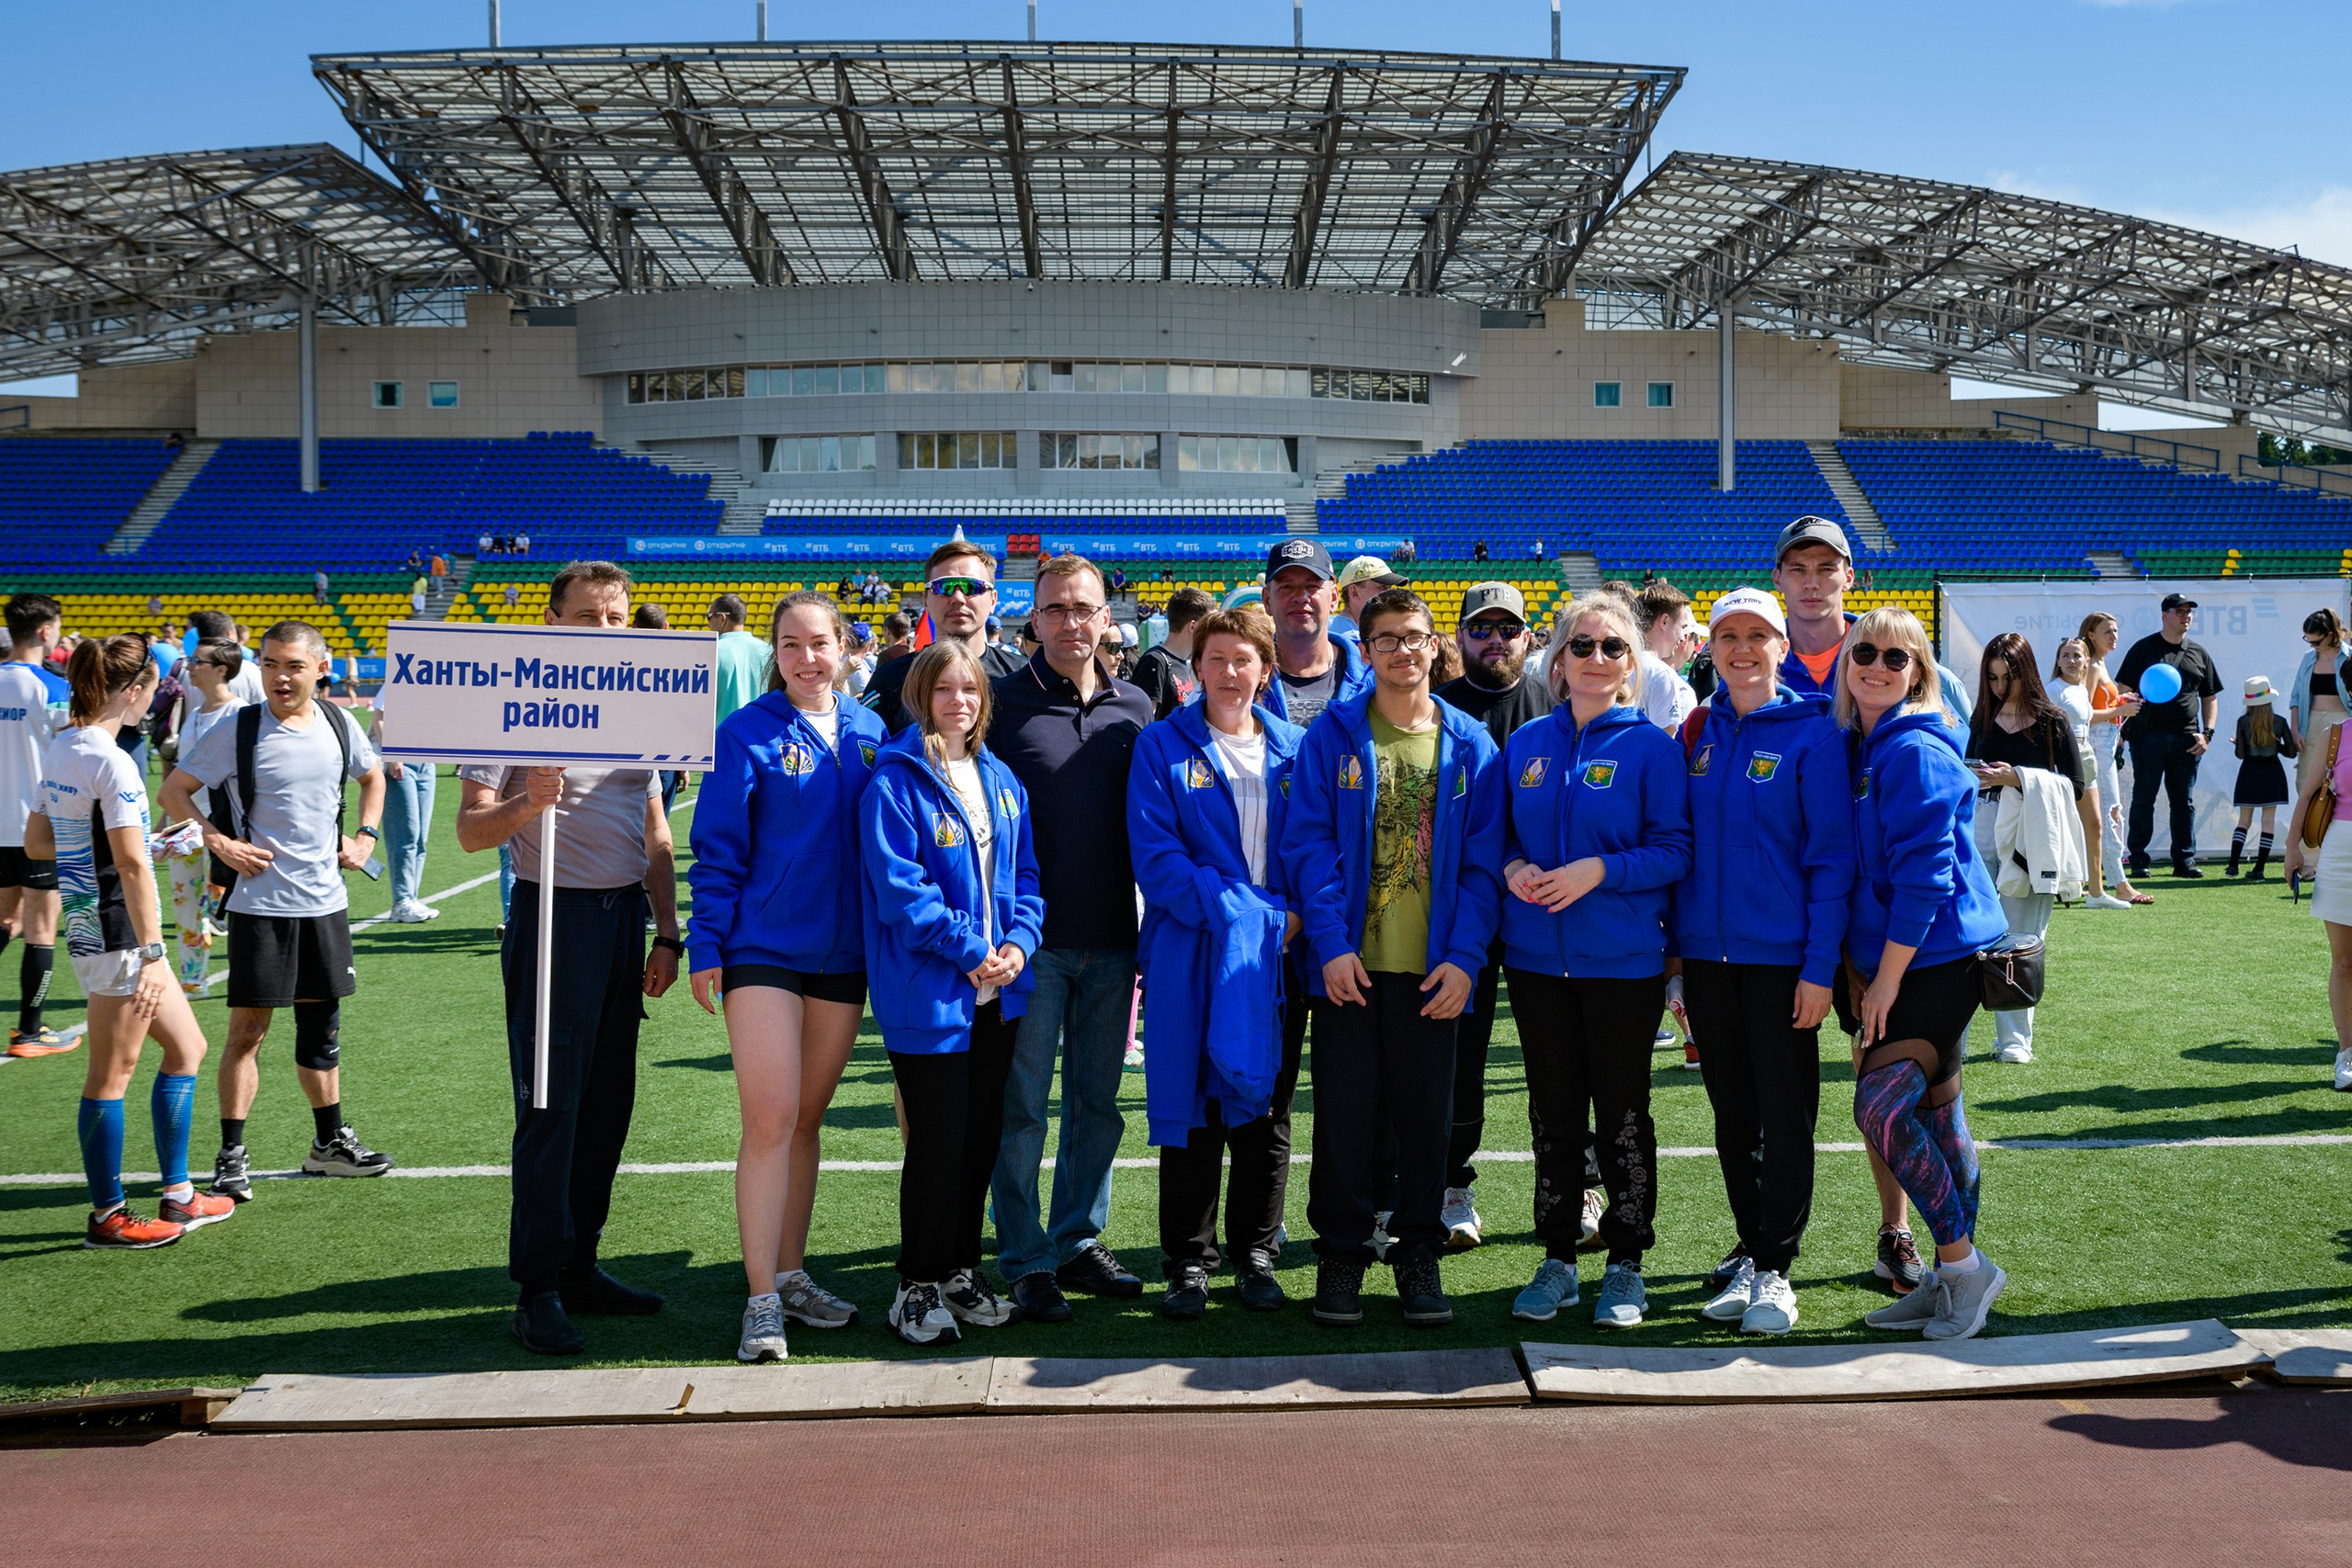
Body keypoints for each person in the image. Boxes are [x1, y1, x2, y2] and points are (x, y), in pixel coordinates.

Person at [452, 561, 682, 1355]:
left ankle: (582, 1259)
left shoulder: (644, 705)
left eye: (617, 618)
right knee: (551, 1105)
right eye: (588, 618)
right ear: (552, 623)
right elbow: (471, 830)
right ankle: (539, 1284)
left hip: (623, 924)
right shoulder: (511, 707)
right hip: (555, 915)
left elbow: (655, 828)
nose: (607, 632)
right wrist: (528, 800)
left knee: (608, 1103)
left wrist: (667, 928)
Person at [1283, 587, 1503, 1328]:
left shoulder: (1472, 744)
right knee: (1344, 1120)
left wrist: (1467, 957)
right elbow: (1307, 846)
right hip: (1348, 969)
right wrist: (1332, 944)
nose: (1402, 650)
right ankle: (1341, 1258)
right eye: (1386, 638)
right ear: (1366, 648)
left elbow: (1481, 866)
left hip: (1435, 972)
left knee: (1425, 1124)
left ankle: (1418, 1257)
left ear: (1434, 643)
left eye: (1414, 636)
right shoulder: (1334, 736)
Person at [689, 591, 887, 1362]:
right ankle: (761, 1298)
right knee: (770, 1118)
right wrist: (708, 943)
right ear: (775, 652)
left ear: (844, 648)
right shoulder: (745, 732)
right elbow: (718, 847)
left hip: (845, 957)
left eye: (820, 643)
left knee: (807, 1119)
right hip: (763, 950)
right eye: (791, 645)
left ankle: (793, 1272)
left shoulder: (873, 731)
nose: (807, 657)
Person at [1496, 595, 1690, 1329]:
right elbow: (1500, 837)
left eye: (1613, 647)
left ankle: (1627, 1261)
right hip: (1537, 962)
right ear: (1558, 660)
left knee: (1622, 1114)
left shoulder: (1653, 748)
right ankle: (1557, 1259)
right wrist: (1515, 866)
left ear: (1632, 663)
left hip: (1623, 964)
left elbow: (1675, 850)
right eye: (1583, 646)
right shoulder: (1527, 745)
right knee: (1552, 1114)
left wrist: (1596, 872)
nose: (1597, 658)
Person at [1674, 587, 1851, 1336]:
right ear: (1708, 647)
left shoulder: (1815, 731)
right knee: (1730, 1118)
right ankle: (1752, 1247)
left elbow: (1832, 861)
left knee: (1785, 1118)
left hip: (1783, 963)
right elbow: (1678, 852)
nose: (1742, 648)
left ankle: (1777, 1269)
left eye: (1758, 635)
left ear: (1783, 646)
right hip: (1708, 963)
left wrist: (1818, 969)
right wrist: (1677, 961)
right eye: (1727, 635)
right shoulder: (1695, 730)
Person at [162, 621, 391, 1200]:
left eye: (291, 665)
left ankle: (328, 1144)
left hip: (325, 904)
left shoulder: (341, 724)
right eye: (268, 665)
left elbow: (374, 777)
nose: (279, 676)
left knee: (321, 1030)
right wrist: (219, 842)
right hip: (261, 906)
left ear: (321, 668)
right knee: (247, 1032)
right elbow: (173, 792)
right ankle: (231, 1153)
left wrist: (365, 837)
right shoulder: (239, 728)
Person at [861, 639, 1045, 1344]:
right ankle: (915, 1281)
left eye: (970, 689)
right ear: (920, 696)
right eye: (944, 689)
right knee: (937, 1141)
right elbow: (901, 891)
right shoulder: (896, 778)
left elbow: (1027, 878)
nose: (958, 701)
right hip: (930, 994)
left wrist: (1017, 947)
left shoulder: (1000, 778)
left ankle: (960, 1268)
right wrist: (973, 952)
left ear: (984, 699)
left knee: (979, 1139)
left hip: (1000, 992)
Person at [988, 555, 1155, 1324]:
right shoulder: (997, 703)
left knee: (1097, 1104)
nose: (1069, 622)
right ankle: (1024, 1258)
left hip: (1114, 939)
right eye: (1054, 609)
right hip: (1030, 946)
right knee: (1021, 1108)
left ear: (1105, 617)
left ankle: (1077, 1238)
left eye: (1082, 608)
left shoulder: (1137, 707)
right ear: (1033, 618)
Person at [1840, 607, 2013, 1340]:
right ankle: (1952, 1277)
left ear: (1919, 672)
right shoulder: (1872, 744)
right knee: (1942, 1115)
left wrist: (1882, 980)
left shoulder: (1912, 749)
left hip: (1932, 958)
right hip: (1922, 954)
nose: (1877, 665)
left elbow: (1925, 880)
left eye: (1895, 657)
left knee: (1879, 1109)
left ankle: (1964, 1264)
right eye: (1864, 653)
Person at [29, 636, 235, 1247]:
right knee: (110, 1074)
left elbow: (41, 842)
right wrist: (152, 951)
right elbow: (128, 864)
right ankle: (107, 1214)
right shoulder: (115, 760)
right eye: (153, 689)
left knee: (188, 1045)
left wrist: (149, 844)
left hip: (92, 921)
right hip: (119, 933)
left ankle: (178, 1195)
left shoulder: (65, 745)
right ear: (133, 691)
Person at [1127, 605, 1305, 1316]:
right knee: (1195, 1105)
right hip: (1192, 951)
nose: (1230, 672)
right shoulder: (1161, 747)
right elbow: (1158, 858)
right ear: (1194, 667)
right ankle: (1189, 1261)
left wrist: (1288, 917)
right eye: (1217, 659)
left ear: (1265, 669)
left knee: (1266, 1105)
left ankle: (1256, 1252)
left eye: (1244, 659)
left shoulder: (1297, 749)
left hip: (1281, 953)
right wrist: (1244, 913)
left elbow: (1317, 847)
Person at [1431, 582, 1557, 1251]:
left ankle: (1574, 1181)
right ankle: (1454, 1185)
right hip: (1464, 914)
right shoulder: (1437, 711)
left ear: (1529, 635)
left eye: (1509, 627)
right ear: (1460, 638)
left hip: (1545, 915)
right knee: (1461, 1056)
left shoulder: (1556, 710)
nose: (1496, 640)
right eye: (1482, 629)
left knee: (1554, 1056)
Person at [1965, 632, 2084, 1066]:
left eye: (2006, 678)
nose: (1998, 687)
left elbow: (2076, 787)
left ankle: (2014, 1041)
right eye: (1992, 678)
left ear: (2025, 673)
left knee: (2021, 939)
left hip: (2030, 839)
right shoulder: (1982, 718)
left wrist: (2017, 777)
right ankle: (1954, 1037)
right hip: (1981, 831)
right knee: (1968, 935)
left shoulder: (2054, 720)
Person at [1772, 516, 1971, 723]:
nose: (1811, 583)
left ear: (1849, 578)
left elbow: (1961, 747)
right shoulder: (1759, 664)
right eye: (1798, 569)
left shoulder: (1903, 663)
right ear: (1778, 579)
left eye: (1826, 569)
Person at [1, 592, 73, 1055]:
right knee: (42, 929)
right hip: (39, 829)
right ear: (46, 631)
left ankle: (31, 1029)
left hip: (0, 826)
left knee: (6, 919)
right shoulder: (52, 687)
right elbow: (72, 754)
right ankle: (31, 1031)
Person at [866, 543, 1024, 734]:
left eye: (972, 587)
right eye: (943, 587)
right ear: (925, 599)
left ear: (993, 600)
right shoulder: (890, 679)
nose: (958, 598)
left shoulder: (1024, 676)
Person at [2117, 592, 2222, 878]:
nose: (2185, 615)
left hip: (2187, 738)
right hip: (2147, 736)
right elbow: (2122, 688)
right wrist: (2124, 724)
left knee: (2184, 801)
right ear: (2164, 614)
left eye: (2189, 611)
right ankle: (2138, 859)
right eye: (2179, 611)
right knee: (2143, 798)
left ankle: (2184, 861)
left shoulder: (2199, 653)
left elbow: (2209, 697)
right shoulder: (2144, 649)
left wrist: (2207, 733)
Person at [165, 642, 244, 994]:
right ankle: (193, 979)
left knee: (233, 904)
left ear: (221, 669)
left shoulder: (241, 713)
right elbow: (181, 776)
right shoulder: (193, 714)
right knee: (185, 903)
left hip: (225, 825)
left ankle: (248, 971)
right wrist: (163, 822)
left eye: (198, 662)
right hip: (184, 825)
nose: (191, 667)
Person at [2050, 637, 2133, 910]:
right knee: (2062, 826)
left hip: (2086, 756)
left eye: (2077, 656)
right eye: (2066, 656)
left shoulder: (2081, 691)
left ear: (2087, 660)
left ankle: (2096, 892)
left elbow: (2089, 719)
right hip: (2063, 760)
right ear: (2058, 661)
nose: (2071, 661)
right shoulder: (2053, 690)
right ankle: (2061, 886)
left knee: (2096, 824)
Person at [1261, 539, 1374, 728]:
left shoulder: (1373, 675)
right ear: (1267, 600)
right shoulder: (1243, 678)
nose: (1300, 597)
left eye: (1312, 586)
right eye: (1286, 587)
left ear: (1334, 598)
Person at [2076, 613, 2147, 905]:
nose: (2114, 636)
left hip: (2106, 746)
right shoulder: (2092, 666)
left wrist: (2119, 705)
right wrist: (2120, 711)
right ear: (2091, 634)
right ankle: (2118, 881)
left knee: (2106, 814)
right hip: (2096, 748)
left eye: (2116, 630)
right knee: (2109, 814)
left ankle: (2091, 879)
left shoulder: (2100, 664)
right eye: (2108, 631)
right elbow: (2084, 714)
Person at [2230, 676, 2298, 880]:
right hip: (2272, 773)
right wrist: (2276, 744)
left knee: (2244, 820)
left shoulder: (2243, 722)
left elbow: (2240, 755)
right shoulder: (2279, 722)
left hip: (2249, 772)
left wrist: (2237, 742)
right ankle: (2259, 869)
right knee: (2268, 821)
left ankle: (2233, 866)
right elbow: (2292, 752)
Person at [2291, 608, 2348, 806]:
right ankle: (2306, 835)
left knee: (2340, 782)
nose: (2313, 646)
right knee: (2306, 784)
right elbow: (2296, 697)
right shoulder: (2308, 658)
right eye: (2308, 641)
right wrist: (2295, 730)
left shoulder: (2348, 657)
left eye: (2317, 641)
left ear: (2331, 635)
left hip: (2342, 724)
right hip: (2311, 728)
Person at [1130, 587, 1213, 720]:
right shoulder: (1155, 662)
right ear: (1193, 627)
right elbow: (1141, 723)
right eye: (1208, 627)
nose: (1211, 634)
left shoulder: (1184, 663)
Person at [708, 594, 772, 726]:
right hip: (758, 736)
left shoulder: (711, 651)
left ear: (722, 618)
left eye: (709, 617)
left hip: (722, 738)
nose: (709, 625)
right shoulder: (767, 651)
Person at [1333, 555, 1407, 635]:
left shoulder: (1330, 628)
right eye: (1382, 587)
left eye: (1389, 588)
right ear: (1355, 593)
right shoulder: (1349, 640)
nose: (1390, 594)